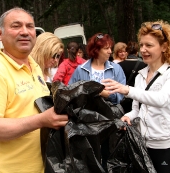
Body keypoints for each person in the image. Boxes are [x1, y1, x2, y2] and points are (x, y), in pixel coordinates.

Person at [0, 7, 68, 173]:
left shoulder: (35, 67)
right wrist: (42, 120)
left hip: (42, 166)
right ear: (0, 34)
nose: (25, 32)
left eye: (30, 26)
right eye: (16, 26)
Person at [102, 20, 170, 173]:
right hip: (142, 145)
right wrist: (128, 117)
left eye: (149, 45)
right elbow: (137, 109)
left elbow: (162, 99)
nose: (143, 50)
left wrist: (127, 89)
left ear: (164, 47)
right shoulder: (140, 76)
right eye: (142, 45)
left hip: (164, 145)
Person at [68, 33, 126, 171]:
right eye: (106, 48)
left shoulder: (116, 69)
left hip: (110, 120)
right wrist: (95, 92)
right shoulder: (80, 70)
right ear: (96, 49)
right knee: (90, 156)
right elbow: (72, 92)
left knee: (109, 155)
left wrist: (109, 95)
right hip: (87, 120)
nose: (110, 51)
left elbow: (122, 94)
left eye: (110, 48)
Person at [118, 41, 147, 113]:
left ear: (127, 52)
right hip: (140, 96)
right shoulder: (144, 65)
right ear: (137, 52)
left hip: (124, 96)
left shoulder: (119, 65)